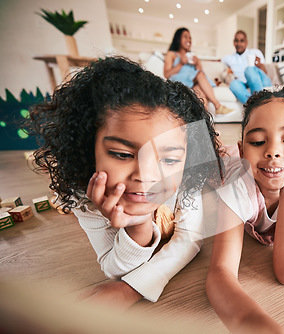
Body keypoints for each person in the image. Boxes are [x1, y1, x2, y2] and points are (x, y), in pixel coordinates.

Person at [29, 56, 222, 308]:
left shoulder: (185, 174)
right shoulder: (84, 195)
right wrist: (138, 226)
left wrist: (132, 288)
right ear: (89, 148)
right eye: (122, 155)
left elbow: (189, 239)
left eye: (170, 158)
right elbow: (112, 266)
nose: (146, 176)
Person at [206, 85, 284, 332]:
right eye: (258, 141)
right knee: (208, 161)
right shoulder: (237, 188)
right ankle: (223, 150)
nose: (272, 151)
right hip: (225, 166)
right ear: (243, 150)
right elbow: (220, 271)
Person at [164, 27, 233, 115]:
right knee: (199, 75)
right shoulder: (172, 54)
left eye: (190, 37)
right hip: (179, 79)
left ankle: (205, 124)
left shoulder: (193, 56)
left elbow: (200, 71)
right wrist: (181, 63)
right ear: (178, 39)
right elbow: (167, 74)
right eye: (185, 37)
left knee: (201, 95)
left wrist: (197, 63)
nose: (189, 40)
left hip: (192, 80)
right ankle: (218, 106)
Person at [222, 30, 273, 104]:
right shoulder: (229, 58)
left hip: (259, 80)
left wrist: (259, 65)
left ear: (246, 42)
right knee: (233, 83)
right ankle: (252, 106)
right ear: (233, 42)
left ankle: (259, 102)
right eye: (236, 41)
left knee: (249, 70)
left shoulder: (255, 52)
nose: (239, 43)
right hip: (243, 83)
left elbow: (264, 74)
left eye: (242, 41)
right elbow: (217, 62)